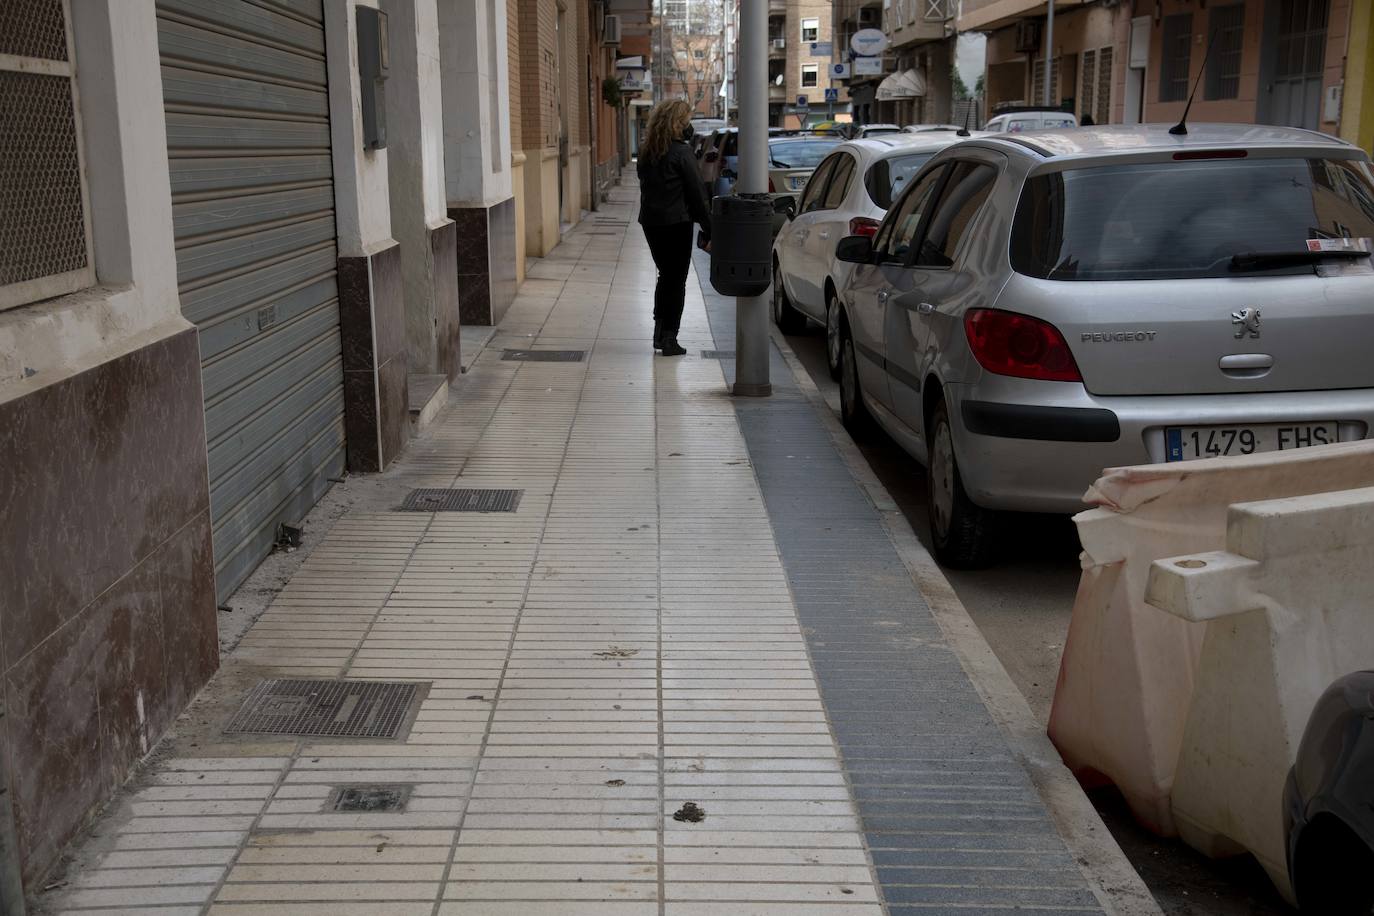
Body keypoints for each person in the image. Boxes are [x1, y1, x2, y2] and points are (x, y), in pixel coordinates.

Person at [637, 99, 712, 357]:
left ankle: (659, 331)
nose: (689, 125)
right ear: (678, 124)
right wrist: (710, 229)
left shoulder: (647, 152)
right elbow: (697, 195)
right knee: (676, 279)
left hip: (651, 223)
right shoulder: (681, 153)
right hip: (677, 223)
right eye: (687, 121)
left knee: (665, 275)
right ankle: (669, 337)